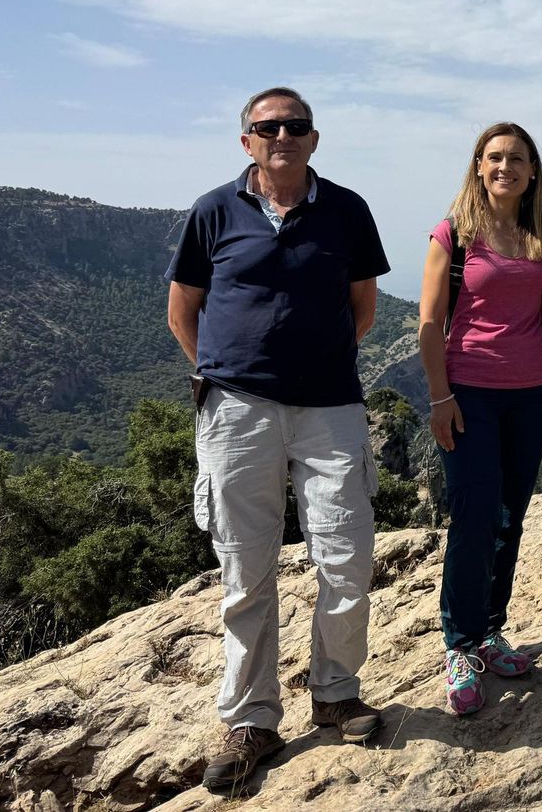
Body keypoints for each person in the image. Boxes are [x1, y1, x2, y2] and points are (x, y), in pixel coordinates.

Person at [166, 87, 388, 789]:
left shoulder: (347, 210)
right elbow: (183, 311)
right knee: (246, 569)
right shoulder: (213, 211)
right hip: (237, 411)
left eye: (295, 126)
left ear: (314, 140)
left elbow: (363, 307)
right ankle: (251, 720)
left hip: (329, 408)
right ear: (247, 143)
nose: (282, 136)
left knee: (347, 554)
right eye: (268, 128)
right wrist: (228, 373)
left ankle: (336, 693)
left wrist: (314, 364)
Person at [417, 122, 542, 716]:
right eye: (496, 157)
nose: (506, 166)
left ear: (532, 171)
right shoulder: (454, 233)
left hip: (532, 392)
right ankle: (460, 645)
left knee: (510, 518)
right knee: (474, 519)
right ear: (479, 166)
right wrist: (438, 397)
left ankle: (491, 630)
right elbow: (430, 322)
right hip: (469, 392)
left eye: (518, 159)